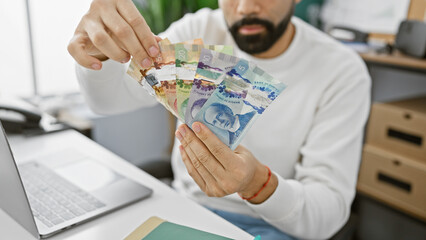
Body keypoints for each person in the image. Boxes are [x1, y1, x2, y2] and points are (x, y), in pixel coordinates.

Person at [68, 0, 371, 239]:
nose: (245, 7)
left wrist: (257, 184)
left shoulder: (341, 70)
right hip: (184, 210)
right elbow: (107, 102)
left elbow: (328, 215)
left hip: (272, 226)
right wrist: (101, 53)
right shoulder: (199, 29)